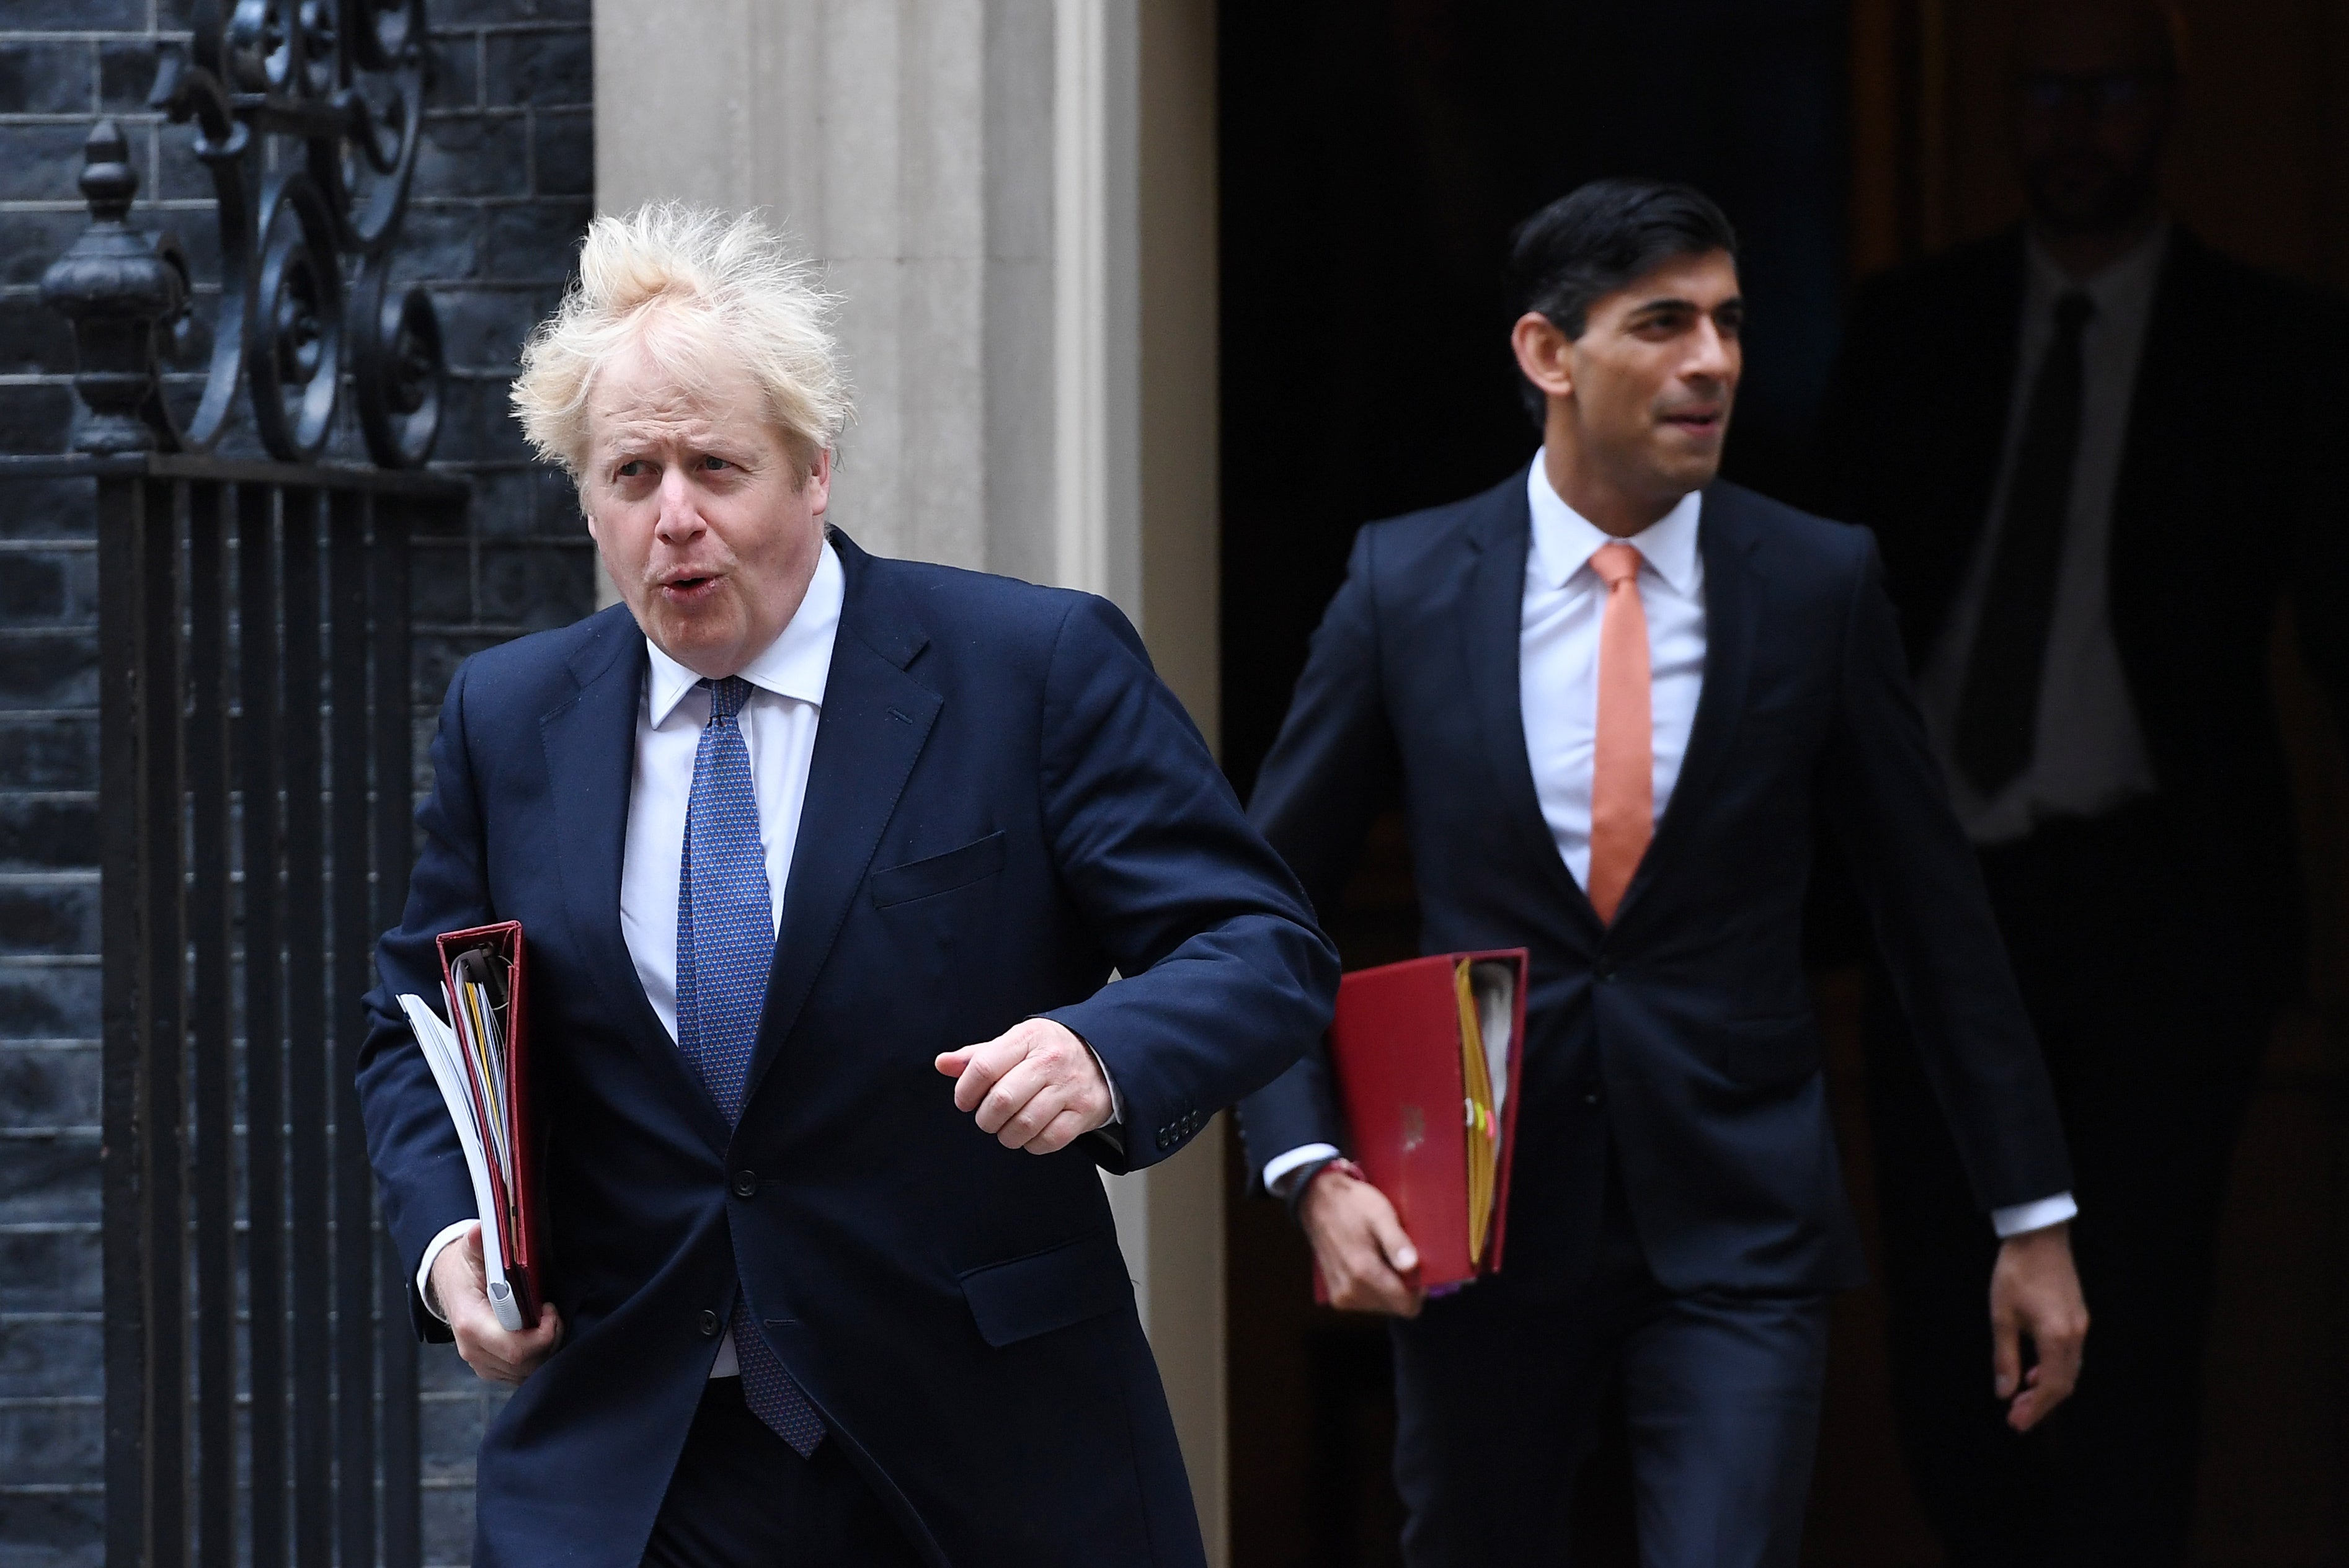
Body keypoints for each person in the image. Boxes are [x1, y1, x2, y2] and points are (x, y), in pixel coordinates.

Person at [355, 204, 1339, 1568]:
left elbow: (1261, 943)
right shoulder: (507, 714)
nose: (675, 517)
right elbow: (415, 1018)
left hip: (979, 1445)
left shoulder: (1028, 665)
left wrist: (1100, 1049)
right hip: (637, 1454)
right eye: (632, 474)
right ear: (586, 498)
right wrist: (452, 1238)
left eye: (717, 463)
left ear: (814, 468)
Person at [1232, 178, 2090, 1568]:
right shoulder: (1405, 582)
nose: (1714, 361)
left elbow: (1934, 917)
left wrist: (2030, 1216)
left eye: (1730, 323)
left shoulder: (1814, 581)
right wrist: (1307, 1162)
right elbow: (1259, 906)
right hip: (1480, 1227)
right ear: (1547, 354)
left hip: (1742, 1224)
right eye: (1665, 322)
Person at [1812, 2, 2349, 1561]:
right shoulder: (1917, 327)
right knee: (1945, 1356)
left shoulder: (2275, 345)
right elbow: (1813, 639)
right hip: (1945, 920)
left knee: (2131, 1350)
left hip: (2164, 916)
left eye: (2107, 92)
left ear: (2167, 103)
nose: (2073, 128)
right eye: (2043, 93)